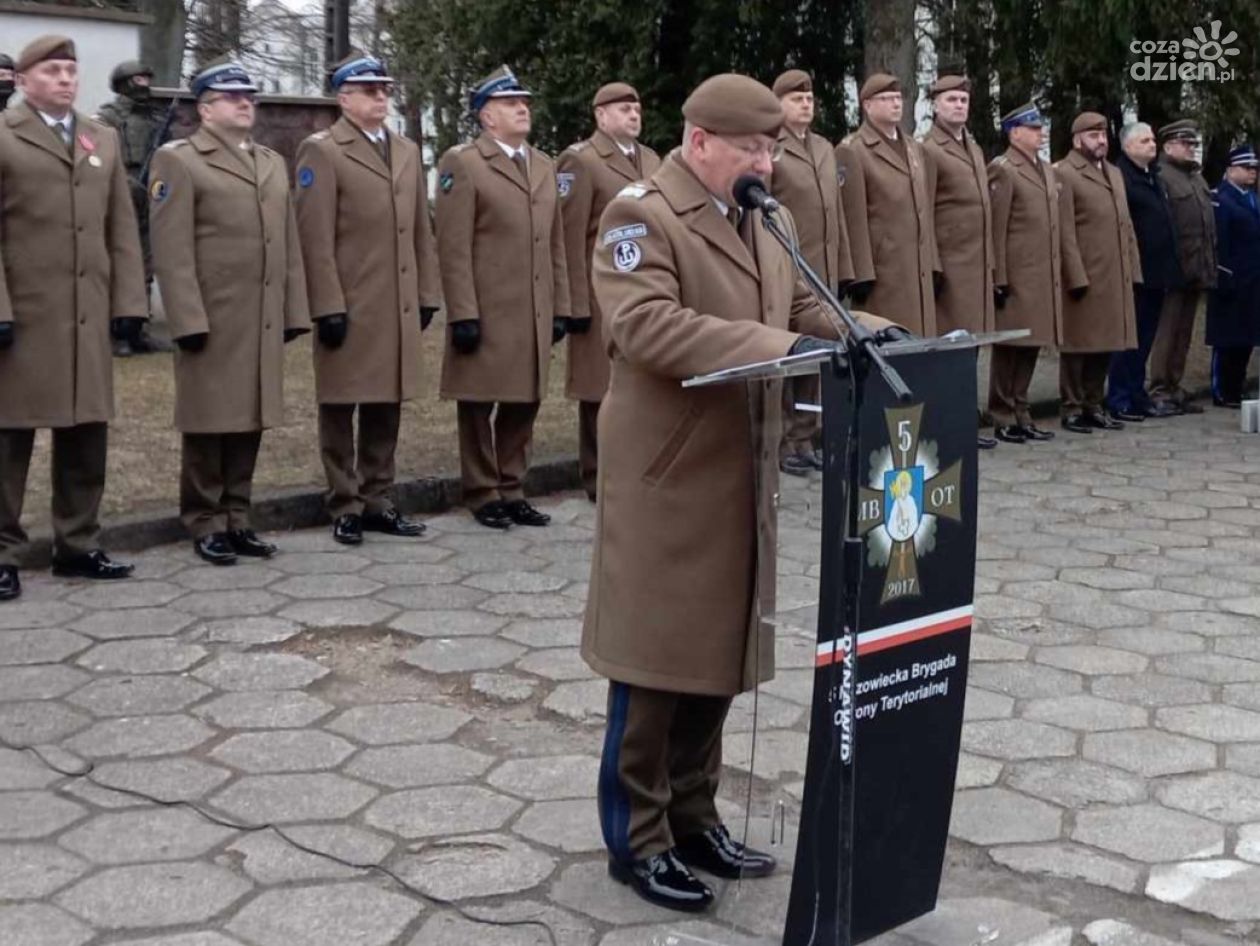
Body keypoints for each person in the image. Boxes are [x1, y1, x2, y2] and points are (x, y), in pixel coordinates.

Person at [582, 73, 899, 913]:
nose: (767, 160)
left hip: (741, 462)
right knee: (654, 660)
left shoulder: (768, 215)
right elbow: (646, 326)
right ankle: (637, 839)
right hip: (668, 472)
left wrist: (872, 332)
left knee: (718, 650)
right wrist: (785, 344)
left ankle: (693, 816)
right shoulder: (640, 214)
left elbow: (803, 302)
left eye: (772, 147)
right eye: (751, 148)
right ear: (700, 143)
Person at [0, 35, 146, 600]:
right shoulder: (5, 136)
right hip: (26, 315)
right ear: (25, 79)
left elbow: (120, 231)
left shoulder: (100, 137)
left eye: (71, 70)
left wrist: (130, 305)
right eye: (52, 70)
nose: (65, 79)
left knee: (86, 432)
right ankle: (4, 553)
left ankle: (78, 545)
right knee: (10, 439)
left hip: (87, 314)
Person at [149, 59, 310, 565]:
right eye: (232, 96)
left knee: (251, 417)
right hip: (213, 315)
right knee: (208, 419)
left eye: (249, 96)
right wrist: (187, 319)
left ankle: (238, 515)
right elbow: (171, 251)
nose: (245, 103)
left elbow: (287, 242)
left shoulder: (269, 161)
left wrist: (292, 309)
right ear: (205, 108)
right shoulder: (180, 160)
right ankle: (204, 519)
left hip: (259, 313)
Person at [295, 53, 442, 545]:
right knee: (340, 403)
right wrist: (327, 305)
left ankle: (378, 497)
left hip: (395, 300)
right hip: (350, 301)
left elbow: (421, 226)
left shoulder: (403, 149)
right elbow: (314, 238)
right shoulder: (323, 151)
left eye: (384, 89)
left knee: (387, 401)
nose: (381, 97)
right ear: (344, 98)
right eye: (370, 90)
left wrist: (425, 292)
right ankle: (345, 502)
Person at [435, 66, 569, 530]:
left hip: (532, 307)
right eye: (512, 102)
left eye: (525, 101)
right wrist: (463, 313)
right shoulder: (464, 163)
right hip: (488, 309)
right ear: (487, 116)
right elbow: (453, 247)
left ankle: (512, 487)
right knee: (478, 402)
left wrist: (561, 307)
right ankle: (481, 491)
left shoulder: (544, 165)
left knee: (524, 400)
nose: (523, 108)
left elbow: (557, 243)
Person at [557, 82, 661, 501]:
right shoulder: (581, 161)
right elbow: (568, 236)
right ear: (601, 116)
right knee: (598, 387)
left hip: (646, 286)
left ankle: (639, 467)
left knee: (645, 381)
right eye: (623, 109)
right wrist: (574, 301)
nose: (634, 115)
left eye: (636, 108)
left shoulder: (652, 159)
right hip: (601, 289)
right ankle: (597, 474)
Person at [768, 68, 854, 475]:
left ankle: (807, 436)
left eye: (809, 99)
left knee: (820, 356)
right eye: (796, 99)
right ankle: (785, 439)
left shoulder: (823, 147)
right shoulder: (771, 147)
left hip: (824, 270)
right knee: (790, 356)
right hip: (788, 268)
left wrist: (846, 266)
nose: (806, 105)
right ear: (778, 104)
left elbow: (837, 213)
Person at [921, 74, 996, 449]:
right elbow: (925, 210)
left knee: (972, 346)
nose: (959, 106)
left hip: (978, 263)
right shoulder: (929, 149)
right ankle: (943, 423)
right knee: (948, 347)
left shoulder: (975, 147)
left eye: (964, 100)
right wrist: (933, 264)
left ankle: (965, 419)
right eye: (950, 100)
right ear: (934, 105)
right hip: (950, 265)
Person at [1056, 112, 1142, 433]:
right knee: (1079, 344)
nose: (1101, 141)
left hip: (1114, 273)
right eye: (1094, 136)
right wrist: (1075, 275)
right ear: (1078, 140)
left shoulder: (1115, 174)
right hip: (1085, 273)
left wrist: (1133, 268)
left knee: (1106, 341)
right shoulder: (1065, 173)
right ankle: (1072, 406)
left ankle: (1094, 402)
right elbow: (1064, 232)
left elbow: (1126, 224)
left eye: (1104, 135)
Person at [836, 72, 939, 334]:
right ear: (867, 105)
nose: (895, 104)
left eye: (898, 98)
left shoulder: (914, 148)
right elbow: (853, 218)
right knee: (891, 345)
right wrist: (860, 274)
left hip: (917, 268)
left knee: (920, 345)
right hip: (883, 273)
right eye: (886, 98)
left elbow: (924, 211)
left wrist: (933, 262)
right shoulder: (853, 150)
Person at [986, 103, 1065, 445]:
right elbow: (997, 228)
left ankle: (1022, 409)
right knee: (1011, 347)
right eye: (1033, 128)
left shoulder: (1046, 170)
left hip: (1041, 274)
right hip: (1016, 274)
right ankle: (1001, 412)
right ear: (1014, 133)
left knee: (1031, 345)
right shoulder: (1004, 169)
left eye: (1040, 127)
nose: (1040, 132)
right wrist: (998, 277)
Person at [95, 60, 175, 356]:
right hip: (120, 199)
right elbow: (100, 159)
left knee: (145, 265)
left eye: (146, 79)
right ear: (124, 83)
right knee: (120, 265)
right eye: (137, 80)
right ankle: (117, 331)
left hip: (148, 201)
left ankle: (139, 328)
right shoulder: (106, 118)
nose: (144, 85)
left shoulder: (156, 119)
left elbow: (166, 161)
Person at [1108, 122, 1181, 420]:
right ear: (1127, 146)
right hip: (1135, 272)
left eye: (1153, 139)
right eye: (1145, 140)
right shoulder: (1121, 177)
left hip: (1158, 271)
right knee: (1129, 339)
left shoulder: (1154, 176)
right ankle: (1119, 397)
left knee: (1146, 337)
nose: (1153, 144)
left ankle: (1136, 394)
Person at [1149, 120, 1215, 414]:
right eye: (1185, 144)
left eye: (1193, 145)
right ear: (1168, 146)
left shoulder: (1196, 179)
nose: (1191, 149)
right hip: (1173, 269)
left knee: (1184, 333)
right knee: (1167, 332)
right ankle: (1159, 389)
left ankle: (1174, 386)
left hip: (1196, 266)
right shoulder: (1162, 176)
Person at [1206, 145, 1260, 408]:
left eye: (1254, 168)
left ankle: (1236, 388)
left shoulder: (1251, 198)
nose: (1252, 172)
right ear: (1230, 170)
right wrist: (1222, 275)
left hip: (1252, 279)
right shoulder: (1221, 198)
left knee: (1245, 338)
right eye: (1246, 168)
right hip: (1231, 278)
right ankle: (1222, 390)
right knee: (1226, 339)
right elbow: (1219, 241)